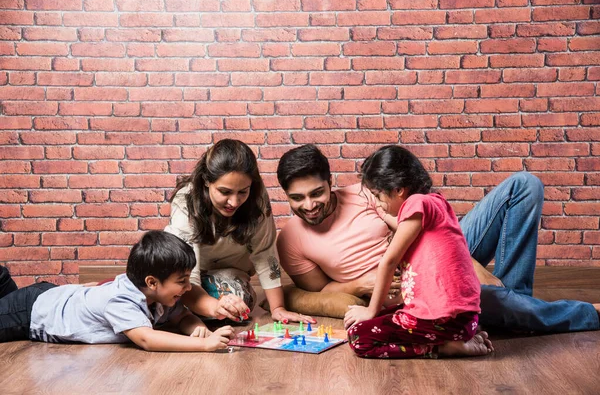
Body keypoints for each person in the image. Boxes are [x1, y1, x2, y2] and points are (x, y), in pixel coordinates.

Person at [276, 144, 600, 333]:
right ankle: (573, 312)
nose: (309, 205)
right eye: (297, 198)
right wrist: (361, 285)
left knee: (524, 185)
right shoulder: (290, 238)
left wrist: (475, 267)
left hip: (432, 248)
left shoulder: (365, 194)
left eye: (316, 193)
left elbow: (429, 226)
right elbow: (318, 291)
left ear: (330, 181)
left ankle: (516, 299)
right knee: (498, 302)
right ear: (286, 196)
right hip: (415, 284)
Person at [343, 145, 493, 358]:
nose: (378, 203)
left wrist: (370, 310)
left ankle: (444, 347)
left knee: (359, 336)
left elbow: (389, 261)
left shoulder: (417, 203)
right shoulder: (434, 203)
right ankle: (457, 339)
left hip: (447, 321)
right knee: (383, 315)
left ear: (398, 189)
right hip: (462, 321)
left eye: (378, 196)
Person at [0, 230, 234, 351]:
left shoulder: (160, 298)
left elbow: (183, 316)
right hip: (31, 311)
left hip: (53, 295)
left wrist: (199, 329)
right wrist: (204, 345)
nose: (188, 287)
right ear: (152, 283)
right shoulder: (121, 300)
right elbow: (146, 339)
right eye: (182, 280)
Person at [165, 139, 314, 324]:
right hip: (190, 274)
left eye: (242, 192)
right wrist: (213, 306)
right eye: (225, 192)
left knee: (235, 300)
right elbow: (185, 269)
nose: (234, 202)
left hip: (232, 274)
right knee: (171, 295)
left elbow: (265, 253)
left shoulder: (257, 199)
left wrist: (277, 308)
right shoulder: (185, 201)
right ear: (206, 181)